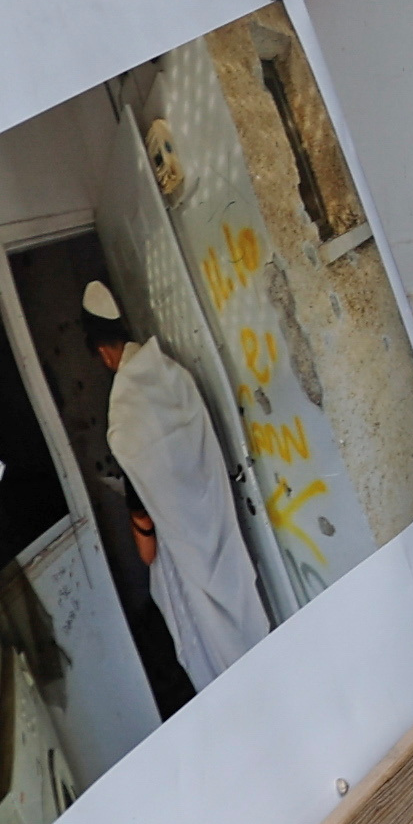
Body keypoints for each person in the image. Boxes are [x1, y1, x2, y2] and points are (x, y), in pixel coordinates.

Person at [85, 282, 269, 701]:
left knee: (213, 648)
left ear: (101, 353)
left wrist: (144, 532)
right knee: (245, 618)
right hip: (219, 526)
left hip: (183, 554)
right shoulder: (173, 374)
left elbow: (147, 539)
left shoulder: (125, 419)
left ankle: (247, 708)